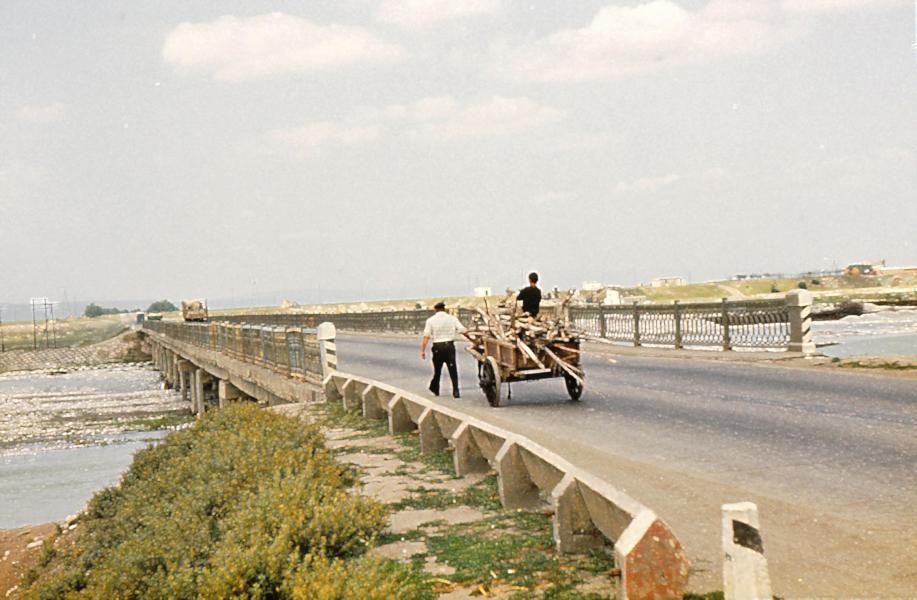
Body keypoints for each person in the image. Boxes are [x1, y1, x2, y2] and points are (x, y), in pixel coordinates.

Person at [420, 302, 466, 397]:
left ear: (435, 310)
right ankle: (456, 390)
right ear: (444, 309)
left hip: (438, 347)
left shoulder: (430, 320)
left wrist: (423, 350)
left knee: (437, 370)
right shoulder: (452, 319)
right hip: (449, 346)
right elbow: (462, 330)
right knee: (453, 369)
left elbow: (426, 336)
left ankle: (436, 389)